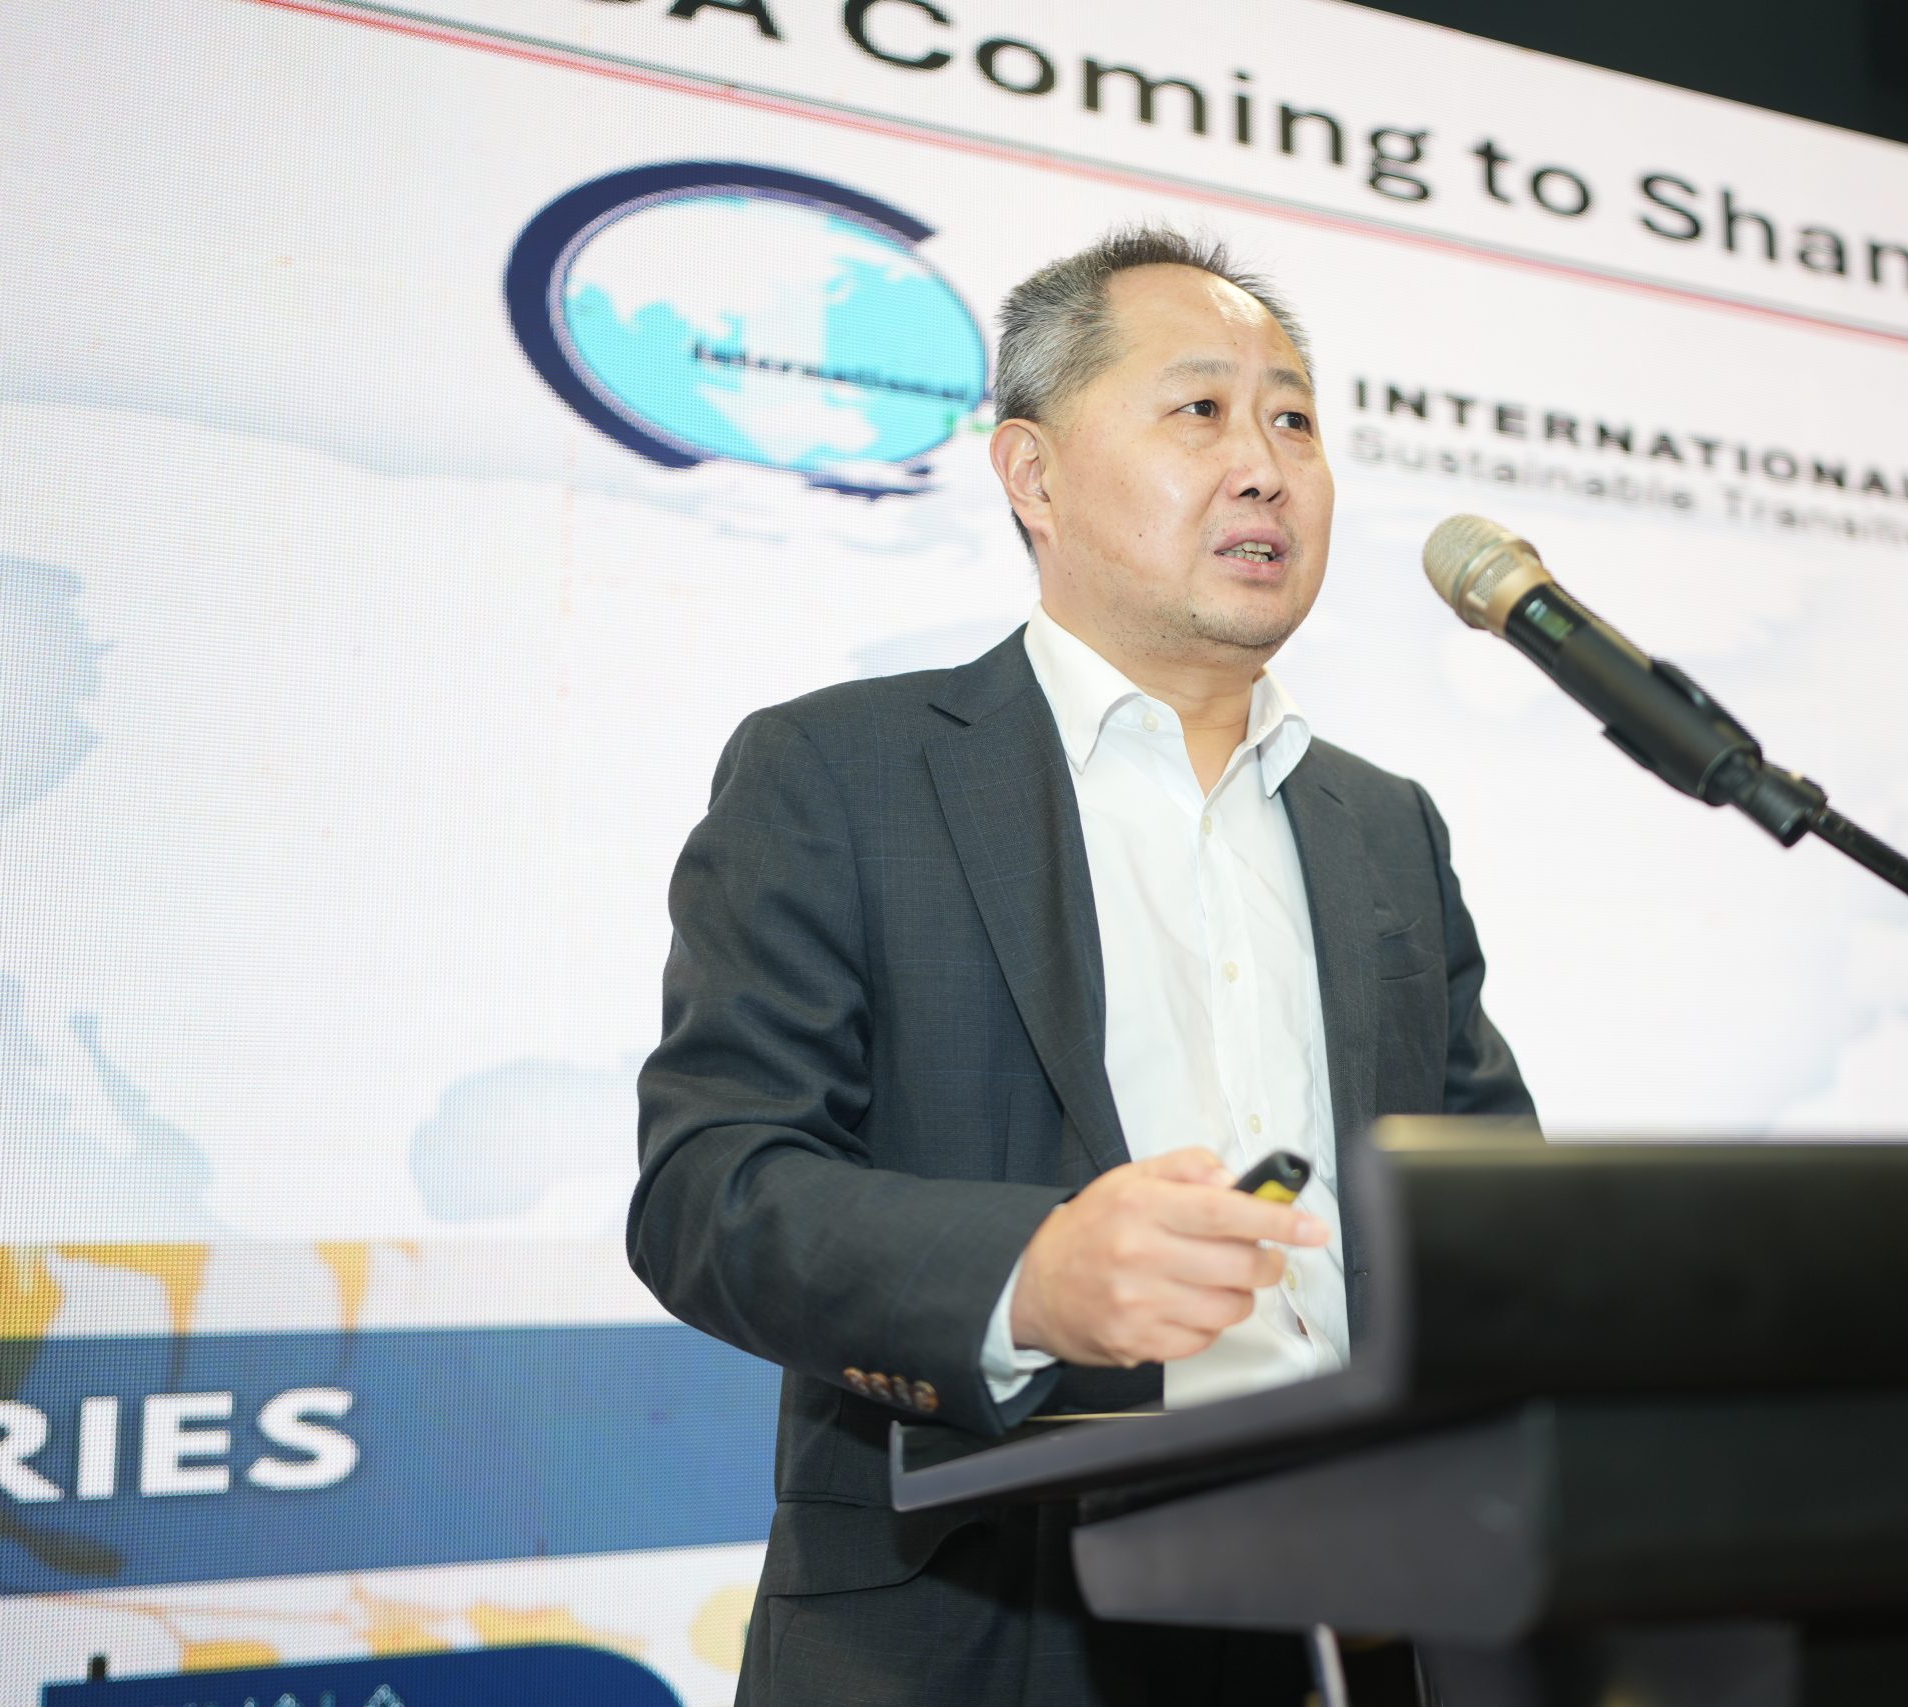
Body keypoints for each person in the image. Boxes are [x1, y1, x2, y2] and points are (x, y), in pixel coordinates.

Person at [630, 225, 1532, 1707]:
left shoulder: (1384, 827)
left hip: (1367, 1624)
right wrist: (1027, 1279)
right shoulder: (844, 773)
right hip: (984, 1629)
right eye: (1201, 411)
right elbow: (708, 1189)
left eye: (1294, 421)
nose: (1264, 467)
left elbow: (1489, 1202)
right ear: (1032, 476)